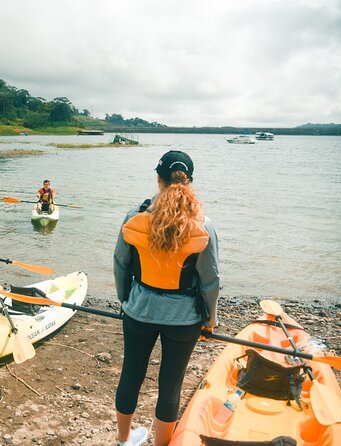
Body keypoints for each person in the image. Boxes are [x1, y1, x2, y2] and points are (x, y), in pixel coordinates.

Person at [113, 150, 220, 446]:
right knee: (170, 385)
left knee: (131, 374)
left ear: (158, 180)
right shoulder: (203, 225)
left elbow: (120, 264)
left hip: (138, 312)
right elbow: (210, 280)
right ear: (190, 183)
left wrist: (126, 301)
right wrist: (210, 321)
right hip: (184, 320)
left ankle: (124, 441)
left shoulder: (135, 216)